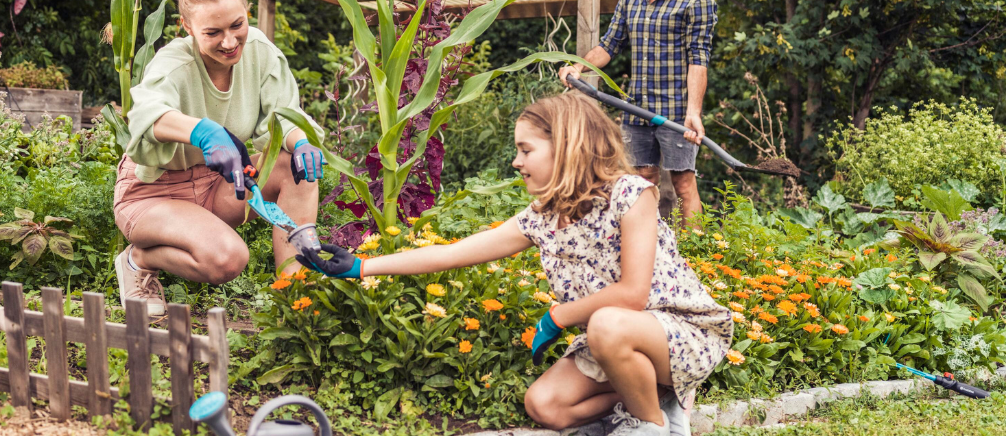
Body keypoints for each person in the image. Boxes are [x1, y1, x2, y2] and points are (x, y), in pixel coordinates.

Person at [297, 93, 733, 435]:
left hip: (678, 331)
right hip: (615, 338)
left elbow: (633, 294)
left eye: (526, 149)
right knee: (546, 405)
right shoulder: (541, 218)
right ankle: (657, 395)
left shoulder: (630, 195)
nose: (516, 161)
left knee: (606, 323)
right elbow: (453, 252)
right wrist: (361, 267)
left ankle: (651, 426)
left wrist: (557, 317)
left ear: (565, 147)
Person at [113, 0, 325, 317]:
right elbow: (144, 117)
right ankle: (138, 259)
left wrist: (300, 140)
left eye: (236, 25)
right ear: (186, 26)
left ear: (248, 11)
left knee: (292, 164)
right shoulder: (173, 63)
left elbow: (283, 115)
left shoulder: (259, 51)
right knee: (228, 259)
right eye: (213, 32)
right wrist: (202, 131)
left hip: (217, 185)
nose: (229, 42)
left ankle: (296, 296)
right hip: (153, 194)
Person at [558, 0, 717, 225]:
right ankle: (646, 245)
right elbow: (608, 45)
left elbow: (699, 57)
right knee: (640, 181)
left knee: (683, 183)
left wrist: (693, 112)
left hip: (676, 111)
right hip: (636, 109)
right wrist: (578, 67)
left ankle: (694, 253)